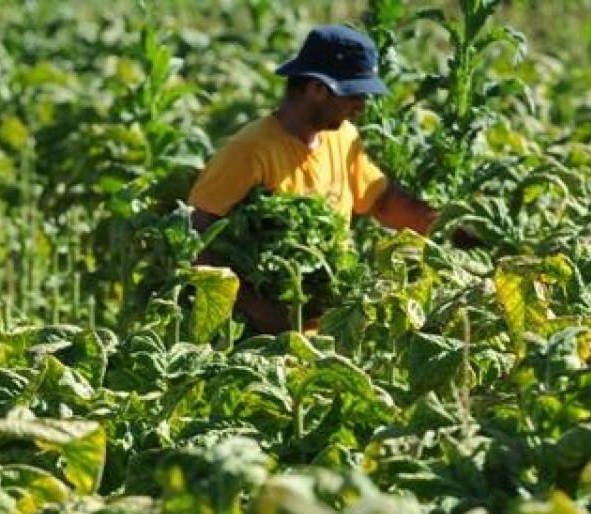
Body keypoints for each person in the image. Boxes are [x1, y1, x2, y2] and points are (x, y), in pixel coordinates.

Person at [188, 24, 472, 334]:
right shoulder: (251, 150)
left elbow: (384, 201)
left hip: (323, 330)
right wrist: (261, 313)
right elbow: (197, 235)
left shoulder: (343, 139)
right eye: (354, 94)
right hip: (251, 334)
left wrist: (455, 233)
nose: (362, 106)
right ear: (317, 89)